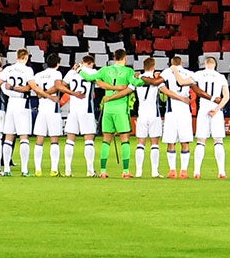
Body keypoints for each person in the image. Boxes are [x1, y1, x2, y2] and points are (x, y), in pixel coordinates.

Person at [90, 46, 140, 178]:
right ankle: (125, 171)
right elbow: (137, 83)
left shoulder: (105, 70)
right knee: (125, 139)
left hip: (107, 108)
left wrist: (79, 71)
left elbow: (91, 77)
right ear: (125, 58)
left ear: (114, 58)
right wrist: (143, 77)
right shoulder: (128, 71)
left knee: (106, 140)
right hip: (120, 109)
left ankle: (103, 170)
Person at [192, 52, 229, 180]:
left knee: (201, 141)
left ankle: (197, 171)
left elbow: (186, 82)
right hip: (216, 110)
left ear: (205, 64)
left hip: (203, 109)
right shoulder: (221, 77)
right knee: (218, 141)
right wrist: (217, 109)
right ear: (215, 65)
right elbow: (227, 96)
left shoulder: (198, 74)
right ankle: (221, 171)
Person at [0, 48, 36, 176]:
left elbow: (2, 86)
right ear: (26, 57)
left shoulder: (8, 69)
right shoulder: (28, 70)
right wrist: (16, 89)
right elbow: (28, 88)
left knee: (9, 136)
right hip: (22, 103)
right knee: (23, 136)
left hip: (10, 103)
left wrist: (10, 91)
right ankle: (24, 170)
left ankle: (7, 170)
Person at [60, 55, 98, 177]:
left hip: (73, 110)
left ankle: (68, 170)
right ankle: (90, 170)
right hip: (86, 110)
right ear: (92, 63)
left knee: (70, 140)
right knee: (89, 140)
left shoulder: (72, 72)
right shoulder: (93, 72)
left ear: (83, 62)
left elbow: (62, 85)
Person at [160, 58, 197, 178]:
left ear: (171, 64)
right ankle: (184, 171)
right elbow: (196, 89)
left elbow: (161, 87)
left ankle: (172, 171)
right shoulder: (190, 73)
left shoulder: (166, 72)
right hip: (185, 111)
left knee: (171, 142)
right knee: (185, 141)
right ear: (182, 63)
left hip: (171, 111)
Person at [135, 57, 166, 178]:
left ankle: (138, 171)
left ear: (144, 66)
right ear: (153, 66)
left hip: (141, 114)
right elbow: (164, 93)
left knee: (140, 143)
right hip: (154, 114)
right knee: (154, 144)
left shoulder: (136, 78)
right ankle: (154, 171)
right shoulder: (156, 79)